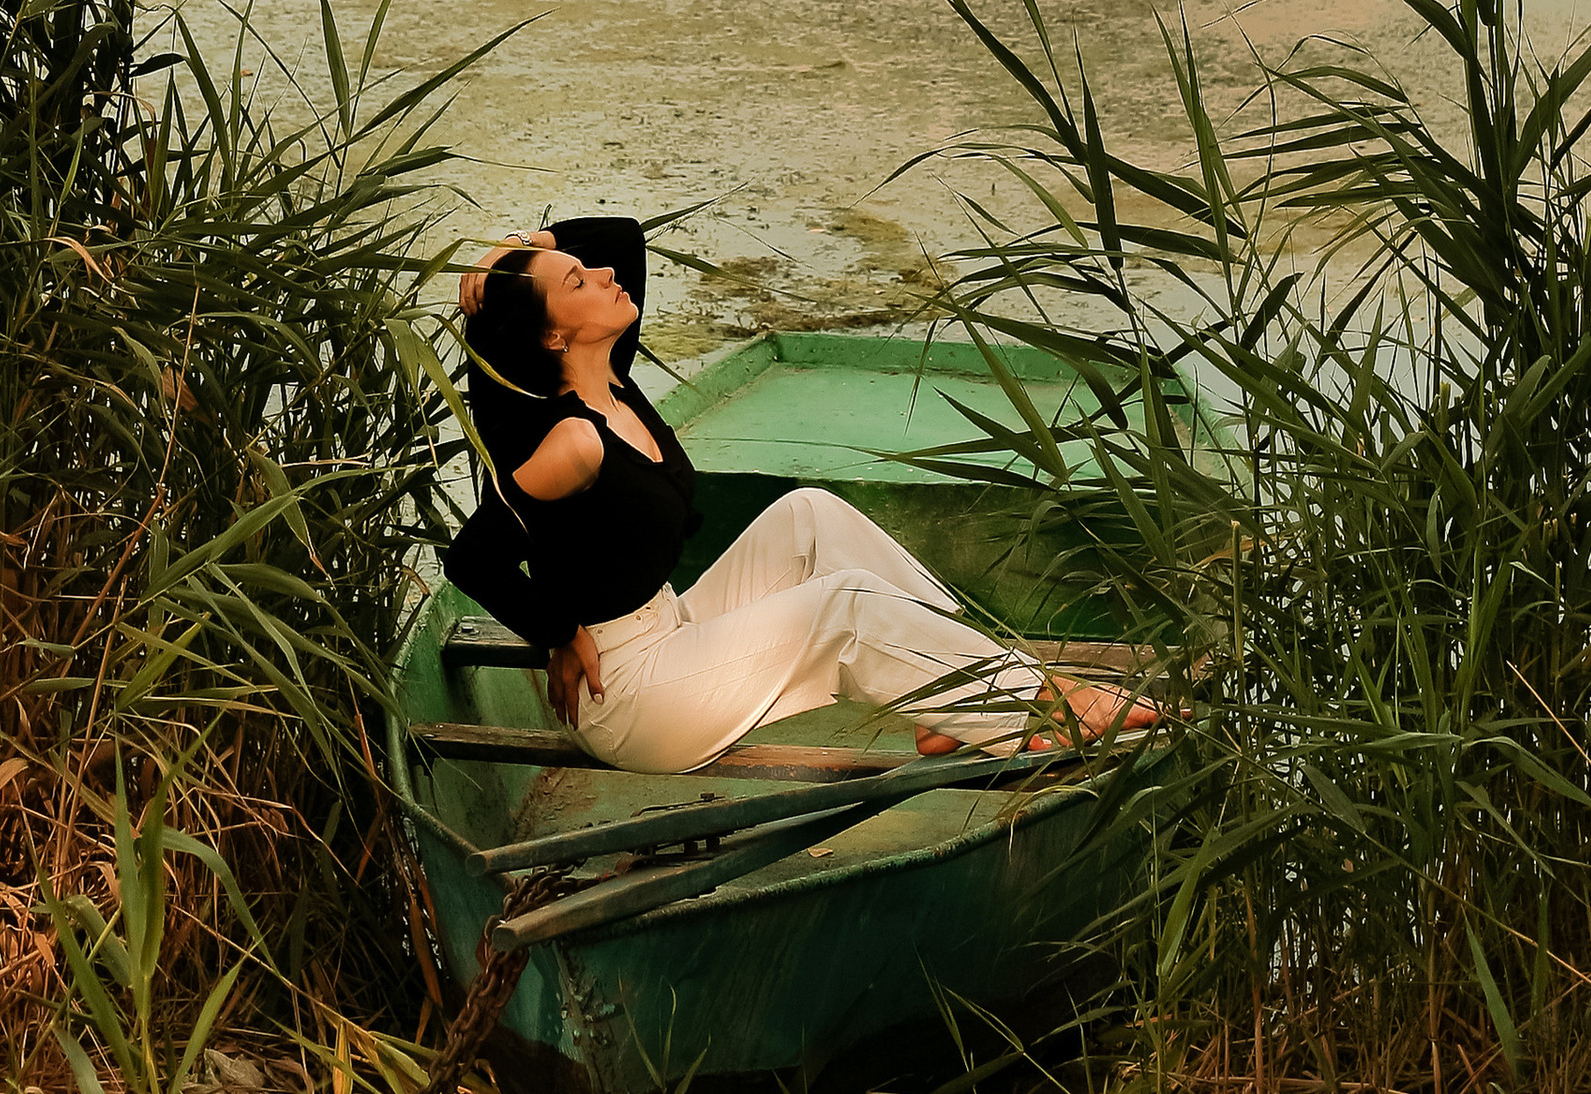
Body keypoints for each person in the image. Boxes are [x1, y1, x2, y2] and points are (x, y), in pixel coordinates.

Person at [451, 216, 1154, 776]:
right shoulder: (570, 440)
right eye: (579, 281)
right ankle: (1033, 707)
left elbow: (622, 238)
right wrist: (559, 630)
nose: (604, 274)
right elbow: (473, 559)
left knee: (807, 517)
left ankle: (954, 696)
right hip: (632, 698)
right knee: (842, 604)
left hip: (669, 631)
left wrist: (516, 249)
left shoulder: (613, 381)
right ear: (551, 333)